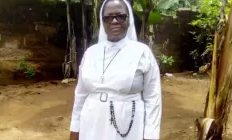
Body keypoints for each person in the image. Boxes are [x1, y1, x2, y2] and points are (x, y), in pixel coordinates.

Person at [69, 0, 162, 140]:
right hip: (91, 124)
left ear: (128, 19)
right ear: (102, 21)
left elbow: (153, 99)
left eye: (120, 16)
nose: (114, 21)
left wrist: (150, 135)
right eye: (108, 17)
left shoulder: (142, 53)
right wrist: (75, 129)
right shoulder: (91, 53)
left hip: (127, 125)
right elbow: (80, 95)